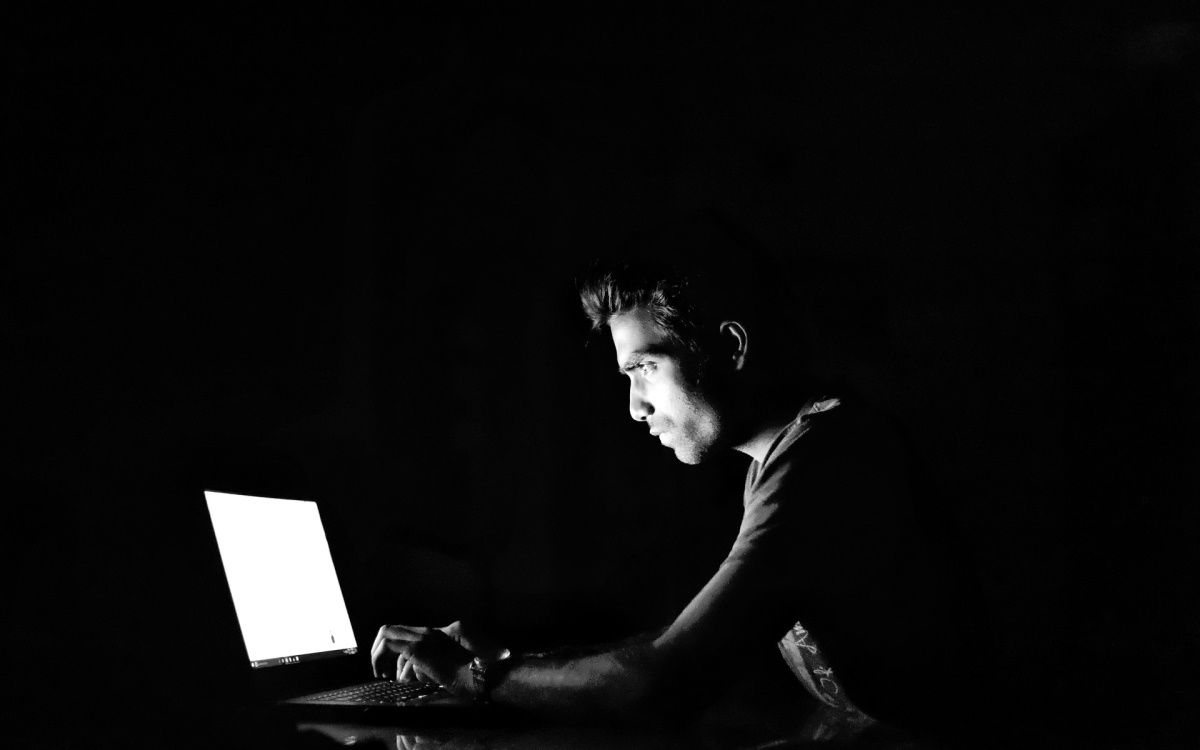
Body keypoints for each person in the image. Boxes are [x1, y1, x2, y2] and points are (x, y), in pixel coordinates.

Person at [371, 212, 976, 741]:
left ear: (731, 347)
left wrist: (474, 676)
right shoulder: (783, 456)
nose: (635, 406)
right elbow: (692, 639)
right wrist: (506, 660)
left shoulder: (827, 460)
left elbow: (663, 682)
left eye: (646, 367)